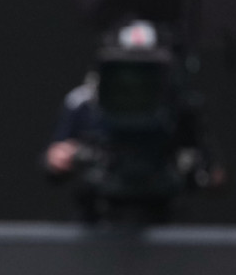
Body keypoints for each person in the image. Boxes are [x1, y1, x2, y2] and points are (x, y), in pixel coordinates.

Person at [43, 20, 225, 224]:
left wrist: (198, 170)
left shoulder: (181, 107)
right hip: (98, 217)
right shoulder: (84, 103)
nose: (134, 80)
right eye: (126, 68)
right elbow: (53, 162)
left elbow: (213, 175)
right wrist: (63, 158)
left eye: (146, 70)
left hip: (164, 218)